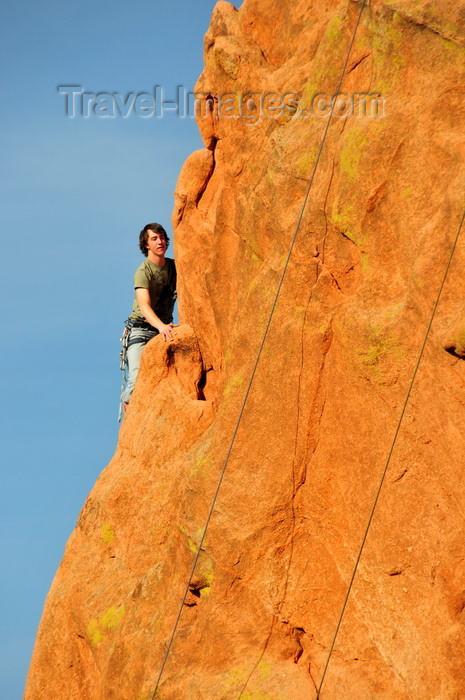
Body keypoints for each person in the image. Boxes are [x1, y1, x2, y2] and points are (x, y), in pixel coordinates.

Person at [119, 222, 178, 418]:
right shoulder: (143, 272)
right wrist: (161, 326)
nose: (160, 242)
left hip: (162, 327)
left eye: (162, 238)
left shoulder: (173, 267)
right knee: (136, 381)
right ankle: (130, 424)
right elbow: (144, 306)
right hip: (141, 331)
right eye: (154, 239)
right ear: (146, 245)